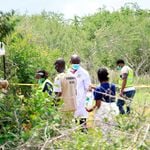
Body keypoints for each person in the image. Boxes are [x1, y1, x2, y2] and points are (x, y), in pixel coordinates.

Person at [70, 54, 91, 132]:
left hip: (81, 99)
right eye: (74, 62)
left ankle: (84, 133)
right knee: (72, 119)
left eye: (77, 62)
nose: (75, 64)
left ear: (79, 62)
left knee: (82, 119)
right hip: (71, 99)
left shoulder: (84, 73)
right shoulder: (67, 72)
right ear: (70, 62)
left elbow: (88, 88)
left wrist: (88, 102)